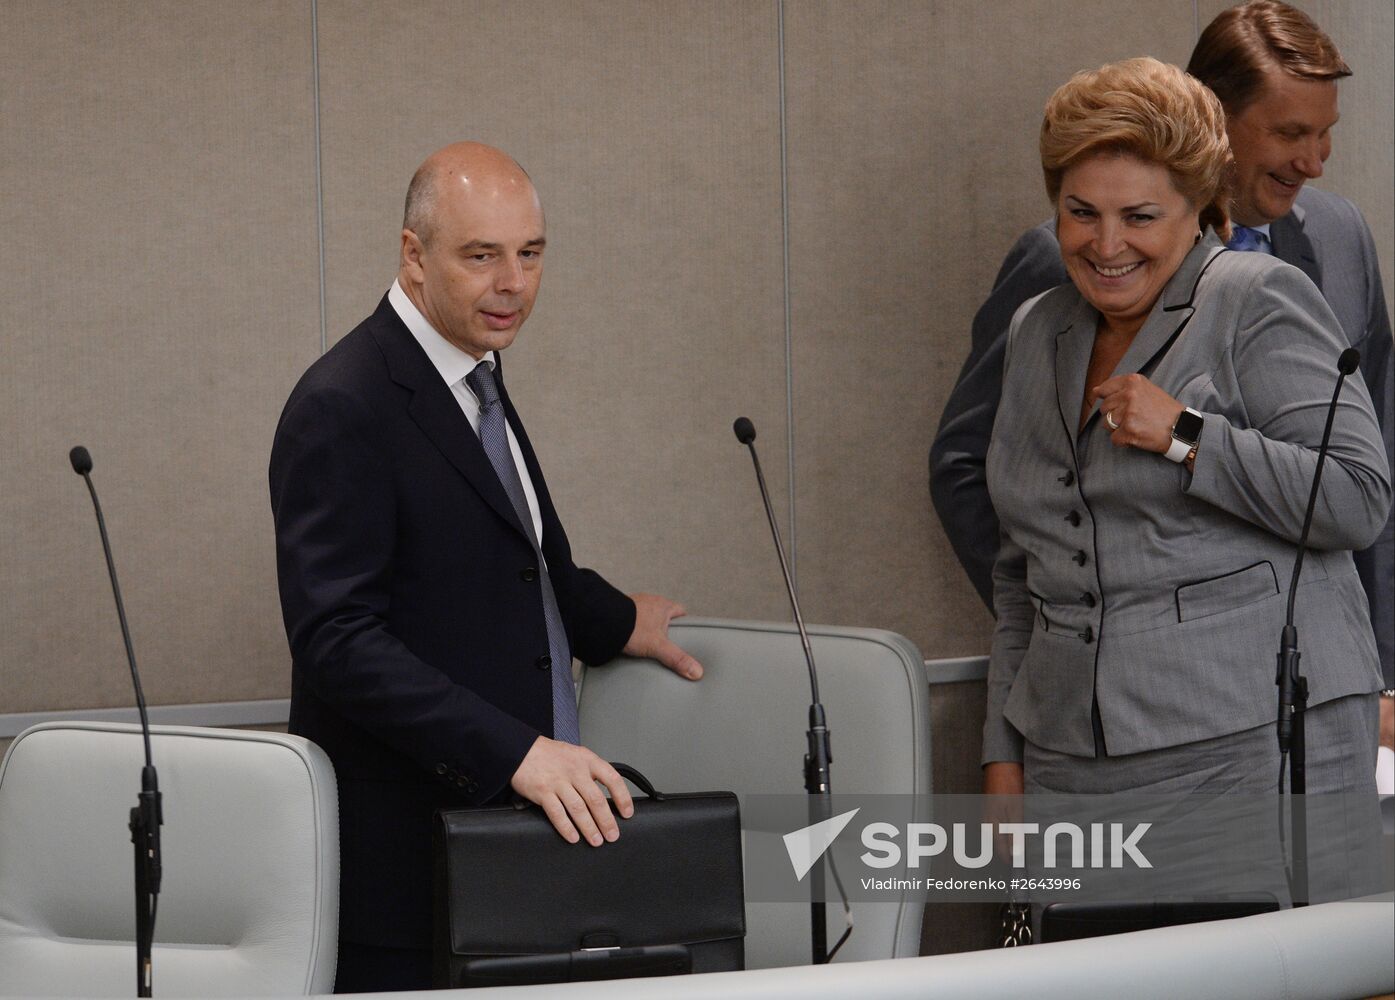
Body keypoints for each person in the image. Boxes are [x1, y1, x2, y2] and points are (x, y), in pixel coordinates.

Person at [270, 142, 703, 992]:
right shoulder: (343, 402)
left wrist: (619, 621)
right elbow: (337, 639)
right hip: (404, 871)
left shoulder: (476, 376)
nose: (512, 283)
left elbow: (524, 565)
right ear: (413, 254)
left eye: (530, 253)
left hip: (509, 859)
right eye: (481, 256)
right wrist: (515, 752)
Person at [929, 0, 1395, 750]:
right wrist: (1089, 628)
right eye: (1288, 133)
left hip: (1303, 700)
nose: (1312, 160)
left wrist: (1378, 672)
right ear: (1213, 121)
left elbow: (1368, 475)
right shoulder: (1061, 272)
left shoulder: (1337, 239)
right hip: (1123, 717)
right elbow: (981, 477)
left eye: (1324, 134)